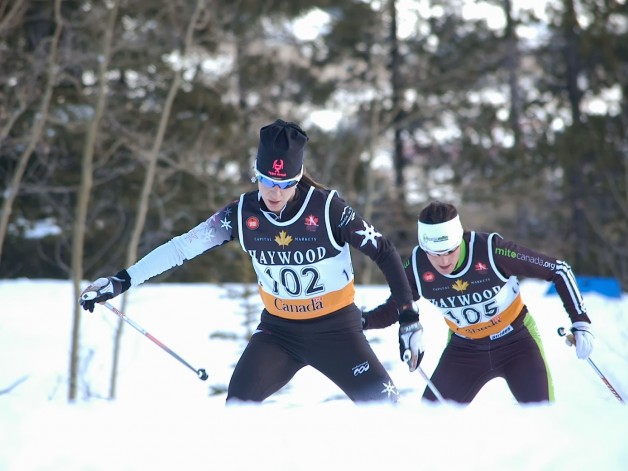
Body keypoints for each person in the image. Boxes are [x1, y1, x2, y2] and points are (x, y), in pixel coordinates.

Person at [79, 119, 424, 404]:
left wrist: (408, 318)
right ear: (256, 175)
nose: (274, 193)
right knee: (237, 409)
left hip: (336, 330)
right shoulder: (241, 214)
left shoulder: (327, 208)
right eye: (266, 182)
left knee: (385, 409)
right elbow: (182, 247)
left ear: (298, 179)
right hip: (279, 333)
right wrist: (122, 280)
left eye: (285, 184)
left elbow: (385, 250)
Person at [362, 200, 594, 405]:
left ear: (459, 239)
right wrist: (360, 321)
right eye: (433, 253)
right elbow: (395, 308)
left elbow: (558, 270)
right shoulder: (416, 266)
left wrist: (581, 321)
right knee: (430, 424)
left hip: (517, 342)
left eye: (449, 251)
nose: (443, 261)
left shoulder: (491, 252)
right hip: (465, 351)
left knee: (544, 418)